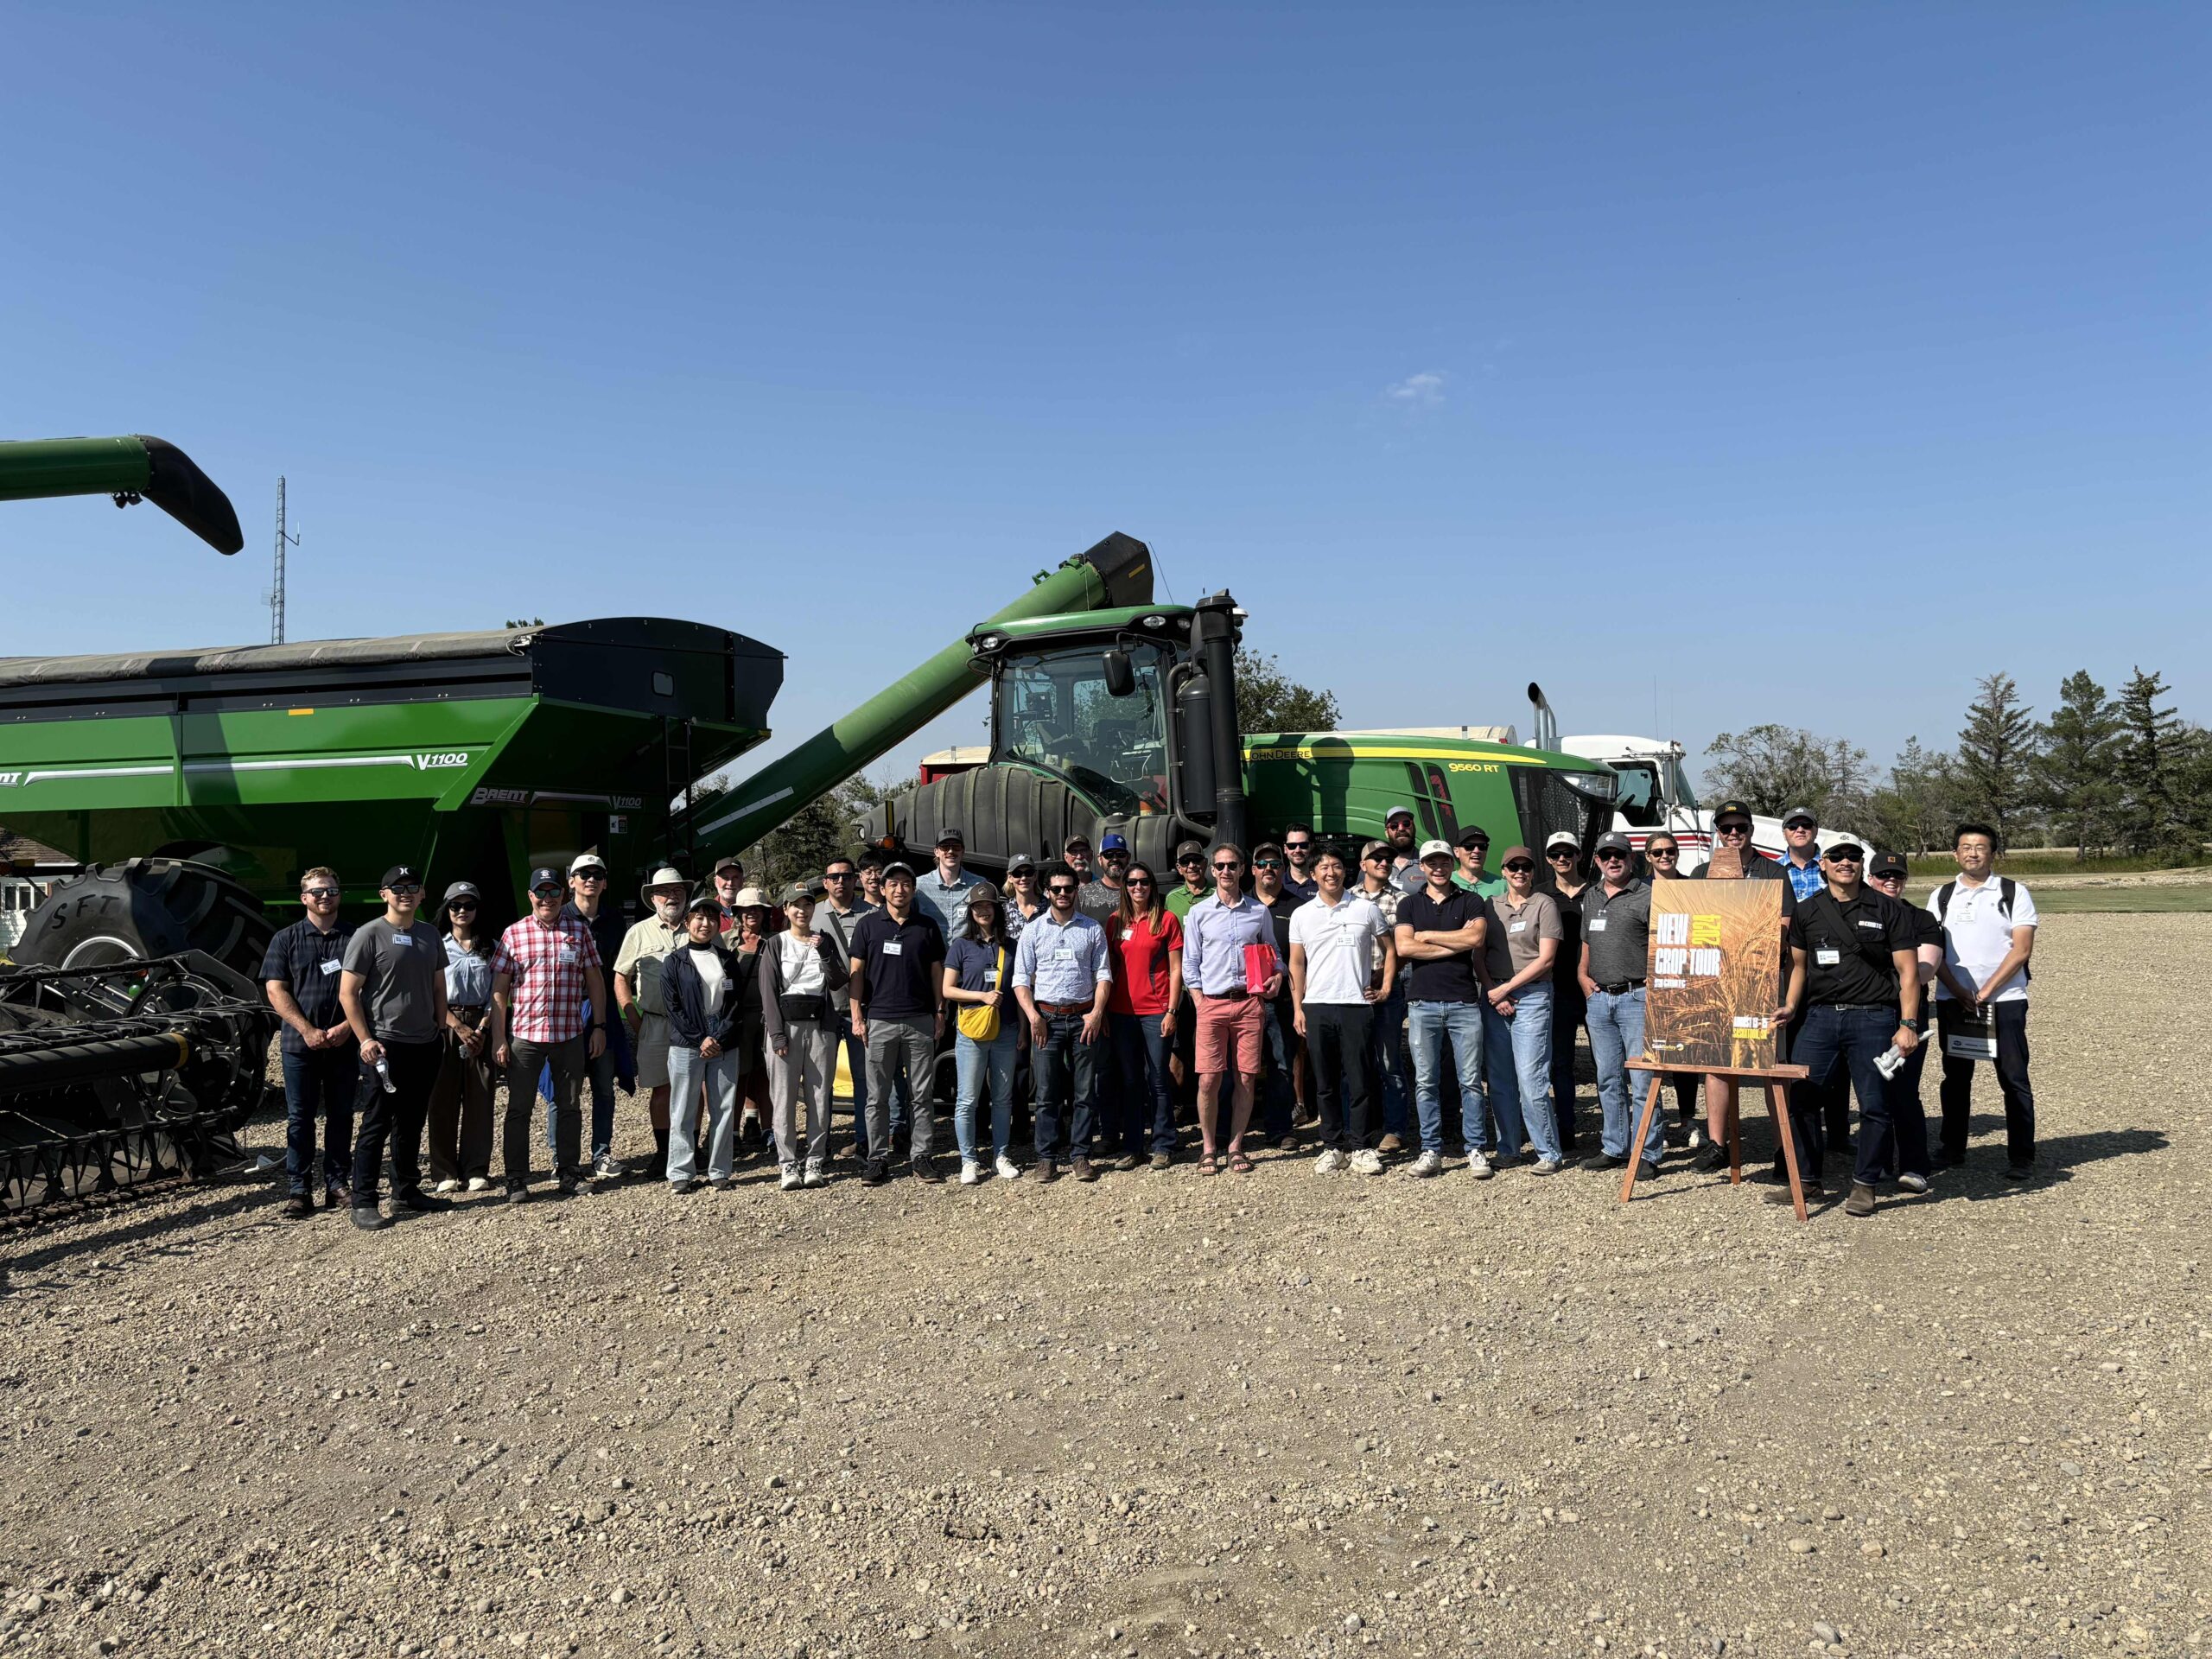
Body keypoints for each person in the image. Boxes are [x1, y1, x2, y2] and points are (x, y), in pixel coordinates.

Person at [1774, 838, 1921, 1215]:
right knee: (1802, 1099)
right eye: (1836, 857)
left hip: (1873, 1017)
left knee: (1874, 1105)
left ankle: (1865, 1184)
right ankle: (1806, 1180)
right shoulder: (1808, 911)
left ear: (1861, 866)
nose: (1845, 863)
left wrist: (1907, 1024)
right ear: (1823, 865)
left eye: (1853, 857)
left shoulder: (1888, 909)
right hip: (1820, 1017)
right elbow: (1800, 967)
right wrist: (1791, 1006)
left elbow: (1908, 974)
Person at [338, 864, 455, 1230]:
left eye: (412, 887)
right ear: (383, 894)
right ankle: (364, 1200)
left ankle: (406, 1190)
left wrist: (439, 1029)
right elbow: (348, 992)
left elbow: (439, 988)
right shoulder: (369, 934)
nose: (405, 893)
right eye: (396, 887)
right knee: (376, 1122)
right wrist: (365, 1039)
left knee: (412, 1120)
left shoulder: (430, 935)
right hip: (385, 1045)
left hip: (425, 1043)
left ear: (422, 895)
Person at [1928, 822, 2038, 1179]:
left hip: (2004, 998)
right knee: (1956, 1078)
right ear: (1955, 853)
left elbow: (2021, 950)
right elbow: (1933, 951)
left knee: (2013, 1076)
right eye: (1966, 847)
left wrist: (1987, 991)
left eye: (1980, 847)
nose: (1973, 853)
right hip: (1954, 1000)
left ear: (1993, 853)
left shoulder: (2012, 892)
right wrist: (1958, 991)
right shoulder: (1942, 895)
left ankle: (2021, 1155)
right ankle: (1952, 1148)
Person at [491, 866, 608, 1203]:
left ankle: (569, 1172)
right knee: (519, 1108)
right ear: (530, 896)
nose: (547, 899)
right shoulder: (513, 934)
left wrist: (598, 1027)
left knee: (569, 1105)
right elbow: (499, 990)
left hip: (569, 1034)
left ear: (564, 895)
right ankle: (516, 1178)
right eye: (540, 892)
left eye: (553, 892)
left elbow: (595, 982)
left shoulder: (579, 931)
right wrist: (499, 1037)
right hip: (526, 1038)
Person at [1692, 801, 1796, 1179]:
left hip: (1762, 977)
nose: (1733, 834)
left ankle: (1783, 1148)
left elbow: (1783, 926)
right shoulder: (1702, 873)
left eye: (1740, 827)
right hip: (1717, 981)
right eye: (1726, 828)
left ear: (1751, 829)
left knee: (1772, 1064)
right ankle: (1716, 1144)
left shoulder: (1773, 872)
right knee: (1717, 1061)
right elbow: (1696, 925)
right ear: (1717, 832)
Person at [260, 866, 358, 1218]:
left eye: (331, 890)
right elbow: (275, 989)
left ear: (339, 895)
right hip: (300, 1046)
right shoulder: (285, 939)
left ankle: (336, 1184)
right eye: (317, 892)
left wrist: (348, 1027)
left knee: (341, 1115)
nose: (325, 897)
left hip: (344, 1044)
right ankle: (299, 1190)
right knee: (300, 1119)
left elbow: (371, 987)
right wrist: (306, 1029)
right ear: (304, 898)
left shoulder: (355, 938)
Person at [1289, 847, 1393, 1175]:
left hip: (1356, 1005)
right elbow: (1296, 962)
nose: (1330, 872)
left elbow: (1391, 949)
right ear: (1314, 874)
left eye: (1336, 866)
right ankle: (1332, 1146)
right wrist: (1298, 1007)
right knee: (1325, 1081)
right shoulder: (1303, 914)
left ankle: (1362, 1147)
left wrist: (1385, 986)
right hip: (1318, 1005)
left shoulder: (1366, 909)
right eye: (1323, 867)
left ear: (1345, 872)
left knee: (1360, 1079)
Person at [1180, 842, 1279, 1176]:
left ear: (1242, 869)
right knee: (1208, 1080)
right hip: (1212, 1003)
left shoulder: (1258, 911)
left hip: (1249, 1004)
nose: (1226, 871)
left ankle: (1236, 1147)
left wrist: (1277, 978)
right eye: (1220, 866)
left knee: (1247, 1078)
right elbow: (1190, 962)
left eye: (1232, 865)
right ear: (1212, 871)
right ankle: (1209, 1148)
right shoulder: (1199, 913)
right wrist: (1199, 1002)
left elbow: (1274, 956)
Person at [1012, 861, 1114, 1180]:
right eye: (1056, 889)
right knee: (1046, 1094)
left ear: (1076, 890)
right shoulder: (1034, 930)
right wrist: (1033, 1017)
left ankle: (1080, 1155)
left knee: (1085, 1093)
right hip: (1047, 1021)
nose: (1063, 893)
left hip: (1083, 1018)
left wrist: (1096, 1013)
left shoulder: (1092, 929)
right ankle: (1047, 1157)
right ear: (1047, 892)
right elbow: (1020, 978)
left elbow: (1103, 974)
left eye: (1068, 888)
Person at [1393, 839, 1489, 1178]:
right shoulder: (1408, 905)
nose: (1438, 867)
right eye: (1431, 862)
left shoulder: (1471, 900)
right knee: (1426, 1081)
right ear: (1422, 867)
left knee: (1471, 1081)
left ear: (1452, 863)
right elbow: (1404, 946)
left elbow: (1476, 940)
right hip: (1422, 1003)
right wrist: (1454, 941)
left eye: (1444, 861)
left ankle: (1475, 1147)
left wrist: (1429, 935)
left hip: (1464, 1001)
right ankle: (1430, 1149)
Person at [848, 861, 947, 1185]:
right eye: (893, 883)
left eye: (906, 883)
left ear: (913, 890)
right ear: (883, 888)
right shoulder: (867, 925)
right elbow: (857, 973)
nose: (899, 889)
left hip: (920, 1019)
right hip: (879, 1021)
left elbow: (937, 974)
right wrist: (857, 1016)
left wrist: (940, 1012)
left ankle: (921, 1156)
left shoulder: (927, 926)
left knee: (921, 1094)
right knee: (877, 1096)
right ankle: (877, 1160)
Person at [1577, 832, 1664, 1179]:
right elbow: (1586, 941)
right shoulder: (1592, 895)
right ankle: (1614, 1146)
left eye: (1620, 855)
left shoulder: (1648, 895)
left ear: (1632, 860)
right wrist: (1582, 976)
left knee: (1643, 1080)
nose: (1613, 860)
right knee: (1608, 1078)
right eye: (1606, 855)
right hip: (1599, 999)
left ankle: (1647, 1151)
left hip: (1636, 996)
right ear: (1597, 861)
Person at [1479, 846, 1565, 1174]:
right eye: (1512, 866)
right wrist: (1493, 991)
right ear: (1502, 871)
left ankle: (1548, 1152)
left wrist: (1506, 989)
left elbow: (1546, 959)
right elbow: (1478, 955)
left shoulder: (1544, 905)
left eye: (1525, 867)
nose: (1519, 872)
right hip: (1495, 997)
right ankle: (1509, 1149)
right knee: (1500, 1080)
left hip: (1531, 996)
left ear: (1533, 872)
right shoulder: (1491, 906)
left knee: (1532, 1079)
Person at [762, 883, 851, 1188]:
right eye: (795, 905)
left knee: (819, 1097)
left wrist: (825, 951)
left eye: (808, 904)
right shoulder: (776, 944)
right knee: (784, 1100)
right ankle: (788, 1163)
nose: (802, 910)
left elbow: (839, 980)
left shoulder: (822, 940)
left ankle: (815, 1160)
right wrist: (776, 1035)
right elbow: (768, 992)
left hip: (821, 1028)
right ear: (786, 910)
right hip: (785, 1027)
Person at [1866, 850, 1940, 1196]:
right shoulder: (1859, 913)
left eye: (1897, 876)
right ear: (1871, 879)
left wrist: (1900, 976)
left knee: (1905, 1089)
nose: (1890, 881)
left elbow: (1926, 968)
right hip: (1867, 1011)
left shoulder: (1921, 919)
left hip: (1907, 1012)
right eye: (1883, 875)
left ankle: (1913, 1165)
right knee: (1873, 1090)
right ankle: (1876, 1161)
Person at [1777, 807, 1849, 1151]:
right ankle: (1800, 1133)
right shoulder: (1774, 871)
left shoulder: (1833, 863)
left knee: (1838, 1054)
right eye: (1794, 825)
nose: (1800, 830)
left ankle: (1838, 1131)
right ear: (1785, 832)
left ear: (1816, 831)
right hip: (1791, 965)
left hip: (1831, 967)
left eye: (1806, 825)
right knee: (1796, 1050)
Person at [1105, 862, 1184, 1170]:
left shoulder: (1166, 920)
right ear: (1124, 887)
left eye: (1144, 882)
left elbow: (1177, 969)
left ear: (1152, 886)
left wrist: (1172, 1010)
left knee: (1159, 1079)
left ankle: (1163, 1143)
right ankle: (1133, 1146)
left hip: (1156, 1011)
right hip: (1122, 1013)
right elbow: (1108, 969)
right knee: (1130, 1080)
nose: (1138, 888)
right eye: (1132, 882)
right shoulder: (1114, 922)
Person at [663, 893, 741, 1193]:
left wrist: (718, 1036)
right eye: (698, 917)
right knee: (683, 1108)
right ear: (687, 922)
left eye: (711, 918)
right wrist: (701, 1039)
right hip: (686, 1042)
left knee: (723, 1107)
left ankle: (720, 1170)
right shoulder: (674, 962)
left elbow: (734, 1005)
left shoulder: (726, 960)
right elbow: (674, 1008)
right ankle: (681, 1172)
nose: (705, 923)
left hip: (723, 1040)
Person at [613, 867, 689, 1180]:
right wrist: (634, 1018)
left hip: (691, 1025)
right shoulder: (639, 932)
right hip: (655, 1023)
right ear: (653, 898)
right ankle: (662, 1152)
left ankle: (691, 1149)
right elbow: (621, 977)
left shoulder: (698, 927)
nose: (672, 896)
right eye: (665, 891)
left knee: (693, 1087)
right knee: (661, 1088)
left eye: (678, 891)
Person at [944, 883, 1020, 1183]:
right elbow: (947, 989)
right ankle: (969, 1160)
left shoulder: (1012, 946)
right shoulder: (961, 945)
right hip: (972, 1030)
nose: (983, 910)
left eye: (988, 905)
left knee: (1002, 1098)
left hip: (1008, 1029)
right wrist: (981, 996)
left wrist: (1024, 1029)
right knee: (968, 1099)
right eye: (977, 906)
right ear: (971, 912)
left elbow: (1021, 988)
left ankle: (1001, 1155)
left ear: (997, 908)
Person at [561, 852, 631, 1181]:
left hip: (603, 1013)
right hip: (567, 1012)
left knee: (604, 1086)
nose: (591, 879)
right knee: (565, 1090)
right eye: (584, 874)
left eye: (597, 874)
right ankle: (563, 1159)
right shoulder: (558, 918)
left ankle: (601, 1153)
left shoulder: (615, 920)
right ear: (571, 880)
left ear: (605, 882)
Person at [1634, 832, 1703, 1155]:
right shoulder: (1636, 890)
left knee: (1685, 1055)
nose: (1664, 856)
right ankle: (1657, 1124)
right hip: (1647, 983)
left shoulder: (1691, 888)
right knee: (1654, 1056)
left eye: (1670, 850)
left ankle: (1689, 1119)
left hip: (1683, 980)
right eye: (1657, 852)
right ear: (1647, 856)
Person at [427, 880, 497, 1195]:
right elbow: (432, 993)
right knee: (442, 1099)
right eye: (456, 906)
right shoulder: (436, 946)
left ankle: (476, 1168)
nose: (462, 911)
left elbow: (498, 993)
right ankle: (444, 1170)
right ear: (447, 909)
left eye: (469, 905)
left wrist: (482, 1028)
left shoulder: (492, 947)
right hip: (446, 1024)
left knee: (480, 1099)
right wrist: (457, 1026)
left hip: (482, 1024)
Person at [812, 855, 882, 1160]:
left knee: (865, 1080)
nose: (841, 881)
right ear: (825, 882)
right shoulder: (811, 916)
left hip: (863, 1010)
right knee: (821, 1081)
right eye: (834, 877)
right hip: (824, 1010)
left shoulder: (875, 913)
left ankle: (865, 1142)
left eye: (846, 876)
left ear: (855, 879)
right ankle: (820, 1144)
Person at [1355, 840, 1411, 1154]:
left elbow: (1402, 946)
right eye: (1375, 858)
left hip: (1388, 987)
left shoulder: (1402, 899)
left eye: (1387, 858)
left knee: (1390, 1061)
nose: (1382, 862)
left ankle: (1394, 1129)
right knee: (1356, 1062)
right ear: (1363, 864)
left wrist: (1384, 975)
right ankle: (1359, 1126)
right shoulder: (1348, 898)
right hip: (1354, 990)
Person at [1541, 831, 1593, 1153]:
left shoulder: (1598, 892)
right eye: (1556, 854)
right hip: (1556, 989)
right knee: (1561, 1063)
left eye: (1568, 853)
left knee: (1606, 1064)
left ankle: (1615, 1132)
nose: (1563, 858)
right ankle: (1566, 1128)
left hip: (1593, 988)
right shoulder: (1541, 896)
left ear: (1578, 856)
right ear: (1549, 859)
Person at [1250, 842, 1305, 1148]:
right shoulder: (1241, 905)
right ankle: (1236, 1131)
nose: (1268, 868)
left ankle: (1280, 1129)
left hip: (1283, 1000)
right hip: (1245, 1002)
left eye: (1274, 863)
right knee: (1240, 1067)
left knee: (1282, 1065)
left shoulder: (1297, 907)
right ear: (1253, 869)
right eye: (1262, 863)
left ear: (1283, 869)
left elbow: (1301, 960)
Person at [721, 887, 774, 1156]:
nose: (752, 913)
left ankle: (768, 1131)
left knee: (766, 1075)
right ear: (737, 913)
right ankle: (731, 1133)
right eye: (746, 909)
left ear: (765, 913)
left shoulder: (776, 941)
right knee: (738, 1075)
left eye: (758, 908)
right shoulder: (724, 942)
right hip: (738, 1019)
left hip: (768, 1018)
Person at [916, 829, 982, 938]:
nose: (951, 851)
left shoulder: (978, 885)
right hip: (931, 953)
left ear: (963, 851)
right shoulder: (920, 886)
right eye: (945, 847)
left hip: (965, 954)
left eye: (956, 847)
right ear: (936, 852)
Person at [1077, 831, 1130, 923]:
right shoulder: (1083, 894)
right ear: (1100, 859)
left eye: (1120, 854)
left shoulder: (1138, 890)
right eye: (1108, 855)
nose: (1115, 859)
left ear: (1128, 858)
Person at [1451, 826, 1505, 899]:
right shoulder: (1446, 883)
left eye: (1482, 846)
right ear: (1456, 852)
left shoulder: (1503, 885)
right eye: (1469, 846)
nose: (1476, 851)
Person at [1166, 840, 1211, 919]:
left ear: (1205, 863)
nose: (1191, 865)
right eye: (1185, 861)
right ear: (1179, 868)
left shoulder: (1219, 894)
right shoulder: (1171, 898)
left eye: (1196, 860)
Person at [1384, 807, 1425, 894]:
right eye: (1394, 826)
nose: (1401, 828)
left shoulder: (1428, 862)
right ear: (1387, 833)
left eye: (1406, 824)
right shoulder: (1374, 864)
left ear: (1414, 828)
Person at [1281, 823, 1319, 899]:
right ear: (1285, 848)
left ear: (1312, 846)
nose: (1297, 850)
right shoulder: (1277, 883)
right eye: (1292, 846)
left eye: (1303, 845)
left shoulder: (1323, 881)